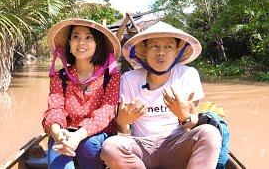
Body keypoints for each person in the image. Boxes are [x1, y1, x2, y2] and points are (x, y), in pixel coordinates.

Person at [100, 21, 222, 169]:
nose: (161, 52)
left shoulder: (188, 74)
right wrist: (123, 122)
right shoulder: (129, 78)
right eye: (154, 46)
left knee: (210, 133)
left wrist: (185, 117)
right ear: (145, 51)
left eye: (168, 46)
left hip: (177, 145)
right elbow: (122, 131)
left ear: (177, 51)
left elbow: (193, 123)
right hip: (141, 147)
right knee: (110, 146)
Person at [42, 18, 121, 169]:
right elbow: (55, 108)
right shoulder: (60, 76)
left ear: (97, 44)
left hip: (95, 135)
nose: (81, 42)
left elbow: (107, 112)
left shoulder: (111, 76)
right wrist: (58, 133)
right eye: (76, 37)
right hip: (64, 132)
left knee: (89, 146)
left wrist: (78, 136)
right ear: (69, 44)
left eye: (88, 37)